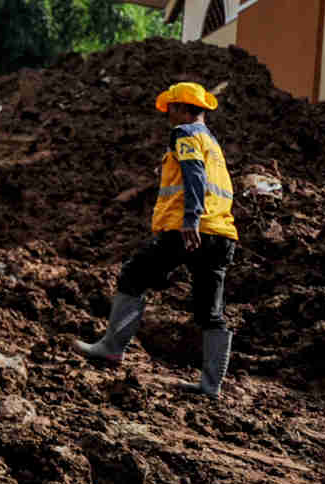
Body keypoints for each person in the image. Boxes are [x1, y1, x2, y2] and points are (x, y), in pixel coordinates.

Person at [76, 81, 239, 397]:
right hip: (220, 235)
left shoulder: (185, 134)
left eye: (170, 109)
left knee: (133, 275)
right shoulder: (213, 144)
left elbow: (194, 175)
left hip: (189, 230)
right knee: (210, 312)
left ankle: (111, 348)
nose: (167, 115)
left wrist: (190, 219)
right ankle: (210, 386)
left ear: (181, 108)